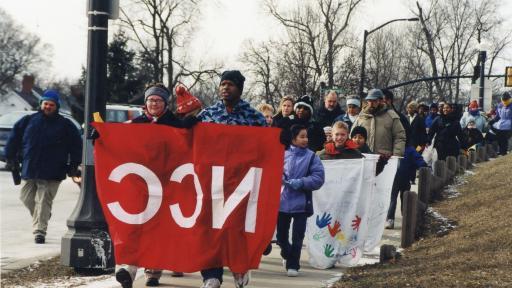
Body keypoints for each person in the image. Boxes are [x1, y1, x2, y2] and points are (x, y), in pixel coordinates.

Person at [115, 83, 199, 288]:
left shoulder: (174, 123)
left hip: (167, 183)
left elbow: (189, 143)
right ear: (145, 103)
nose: (154, 103)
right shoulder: (137, 123)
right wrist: (101, 136)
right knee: (136, 226)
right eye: (150, 100)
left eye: (158, 100)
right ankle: (129, 269)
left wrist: (190, 126)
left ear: (165, 103)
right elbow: (119, 140)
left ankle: (153, 272)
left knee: (159, 228)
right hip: (141, 183)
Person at [197, 70, 266, 288]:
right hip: (212, 180)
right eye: (223, 84)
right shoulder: (208, 114)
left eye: (230, 85)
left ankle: (239, 269)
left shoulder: (254, 117)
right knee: (210, 227)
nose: (225, 88)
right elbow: (188, 140)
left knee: (236, 229)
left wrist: (281, 138)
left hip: (240, 182)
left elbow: (266, 148)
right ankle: (211, 275)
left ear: (240, 88)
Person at [5, 90, 82, 244]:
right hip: (30, 167)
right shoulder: (28, 120)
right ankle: (43, 215)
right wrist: (10, 156)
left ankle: (40, 231)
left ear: (56, 106)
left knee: (43, 200)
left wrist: (74, 164)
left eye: (51, 104)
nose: (48, 107)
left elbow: (76, 146)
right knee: (26, 198)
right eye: (45, 103)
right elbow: (14, 138)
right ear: (41, 104)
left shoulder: (65, 125)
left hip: (53, 170)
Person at [278, 124, 325, 277]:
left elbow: (318, 178)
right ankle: (287, 252)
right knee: (281, 237)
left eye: (306, 136)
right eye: (302, 136)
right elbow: (273, 171)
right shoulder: (282, 154)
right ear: (293, 139)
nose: (305, 139)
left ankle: (293, 265)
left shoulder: (312, 156)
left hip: (302, 204)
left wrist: (302, 182)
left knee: (298, 237)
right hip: (282, 203)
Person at [352, 89, 406, 157]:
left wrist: (396, 156)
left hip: (384, 159)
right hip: (363, 159)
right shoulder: (361, 117)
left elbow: (400, 137)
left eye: (374, 101)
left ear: (381, 101)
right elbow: (351, 137)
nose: (371, 104)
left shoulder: (391, 116)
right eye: (369, 100)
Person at [385, 145, 427, 229]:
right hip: (393, 178)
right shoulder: (391, 147)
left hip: (405, 178)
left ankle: (405, 216)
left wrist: (423, 165)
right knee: (392, 199)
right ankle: (390, 219)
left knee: (405, 198)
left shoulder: (409, 149)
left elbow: (417, 158)